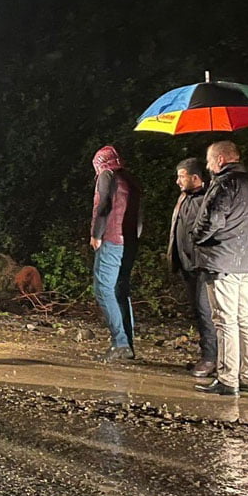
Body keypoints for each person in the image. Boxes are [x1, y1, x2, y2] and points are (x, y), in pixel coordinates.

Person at [191, 140, 248, 396]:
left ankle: (227, 378)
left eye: (210, 160)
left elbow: (213, 220)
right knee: (246, 320)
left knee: (225, 322)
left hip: (223, 262)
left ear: (220, 160)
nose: (208, 165)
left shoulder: (223, 184)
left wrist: (196, 236)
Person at [88, 145, 142, 361]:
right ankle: (127, 344)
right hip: (129, 242)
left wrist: (96, 234)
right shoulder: (132, 180)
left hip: (111, 238)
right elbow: (139, 217)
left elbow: (102, 207)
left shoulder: (107, 176)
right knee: (121, 290)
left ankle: (120, 343)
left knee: (103, 289)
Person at [168, 157, 217, 376]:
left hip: (202, 265)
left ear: (195, 177)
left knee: (207, 312)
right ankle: (208, 355)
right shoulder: (184, 198)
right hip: (187, 265)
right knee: (198, 311)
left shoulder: (207, 200)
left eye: (181, 176)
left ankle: (211, 358)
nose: (178, 181)